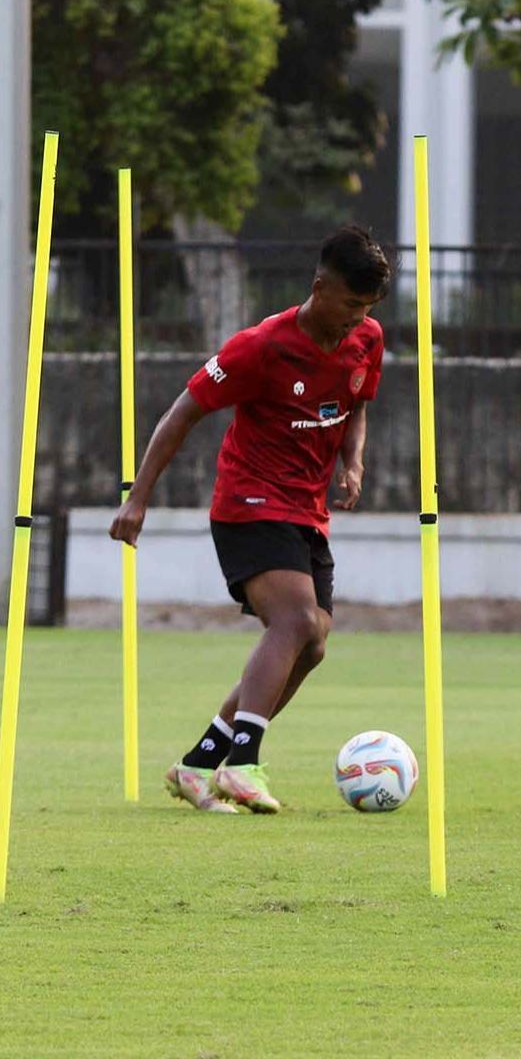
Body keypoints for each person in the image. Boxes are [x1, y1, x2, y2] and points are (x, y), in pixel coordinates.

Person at [109, 224, 391, 815]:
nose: (356, 318)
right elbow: (181, 414)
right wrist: (138, 496)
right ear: (319, 287)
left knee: (312, 644)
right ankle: (244, 764)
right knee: (292, 622)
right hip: (249, 502)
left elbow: (357, 402)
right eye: (350, 304)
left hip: (307, 512)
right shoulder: (260, 346)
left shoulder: (367, 339)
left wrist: (354, 458)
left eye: (367, 308)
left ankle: (197, 765)